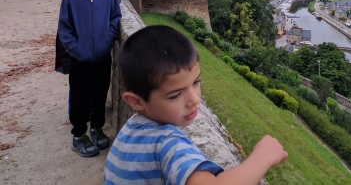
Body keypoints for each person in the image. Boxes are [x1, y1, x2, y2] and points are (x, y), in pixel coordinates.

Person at [104, 25, 288, 185]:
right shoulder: (166, 142)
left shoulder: (131, 131)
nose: (194, 99)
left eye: (196, 82)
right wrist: (263, 156)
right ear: (136, 101)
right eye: (175, 95)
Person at [58, 0, 122, 157]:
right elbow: (64, 28)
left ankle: (96, 128)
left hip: (102, 57)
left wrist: (107, 39)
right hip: (80, 59)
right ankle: (78, 135)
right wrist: (75, 48)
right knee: (80, 98)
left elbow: (115, 19)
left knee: (100, 95)